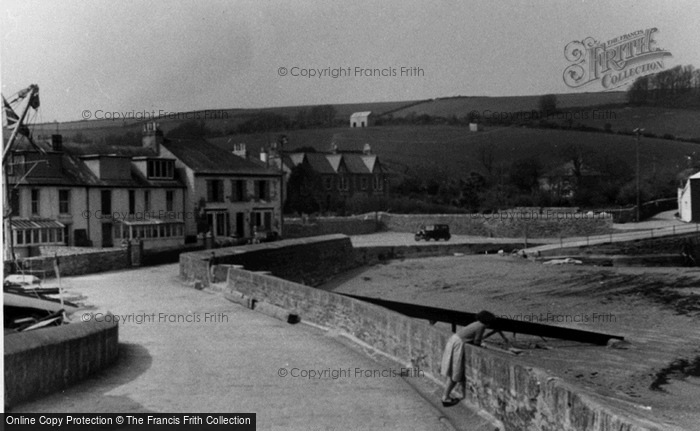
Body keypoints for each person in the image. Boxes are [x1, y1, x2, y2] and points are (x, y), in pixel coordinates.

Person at [440, 310, 496, 407]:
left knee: (452, 373)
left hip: (454, 340)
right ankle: (445, 398)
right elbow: (477, 341)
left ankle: (446, 396)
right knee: (456, 373)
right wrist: (482, 345)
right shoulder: (481, 326)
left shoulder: (476, 323)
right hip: (458, 344)